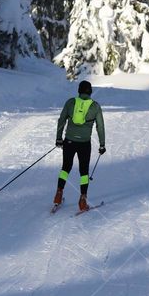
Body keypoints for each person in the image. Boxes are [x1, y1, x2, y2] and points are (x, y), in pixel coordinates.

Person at [54, 80, 106, 211]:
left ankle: (59, 193)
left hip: (69, 141)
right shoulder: (95, 106)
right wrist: (102, 144)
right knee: (84, 172)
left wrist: (59, 138)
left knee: (65, 167)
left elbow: (61, 120)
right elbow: (100, 127)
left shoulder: (70, 102)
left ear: (79, 90)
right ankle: (83, 199)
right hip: (84, 144)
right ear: (90, 92)